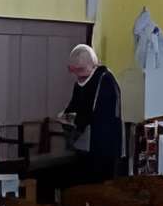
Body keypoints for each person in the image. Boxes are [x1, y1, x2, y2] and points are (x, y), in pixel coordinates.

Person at [27, 43, 128, 192]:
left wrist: (73, 120)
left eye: (80, 70)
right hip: (83, 147)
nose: (77, 76)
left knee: (97, 187)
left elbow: (94, 114)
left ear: (92, 65)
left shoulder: (104, 80)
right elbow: (74, 106)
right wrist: (65, 115)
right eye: (73, 70)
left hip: (103, 148)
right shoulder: (82, 81)